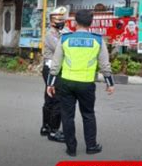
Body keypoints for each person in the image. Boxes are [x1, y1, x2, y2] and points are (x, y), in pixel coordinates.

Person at [46, 9, 115, 157]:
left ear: (75, 22)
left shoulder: (65, 39)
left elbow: (56, 64)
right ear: (91, 23)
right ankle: (91, 146)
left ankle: (71, 149)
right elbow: (105, 65)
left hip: (67, 83)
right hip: (86, 84)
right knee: (88, 115)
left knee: (67, 116)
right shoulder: (97, 40)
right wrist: (110, 83)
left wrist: (50, 83)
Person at [40, 6, 68, 143]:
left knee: (50, 97)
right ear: (51, 21)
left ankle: (46, 126)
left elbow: (71, 39)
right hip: (51, 68)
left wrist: (64, 31)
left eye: (62, 18)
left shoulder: (64, 31)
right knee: (56, 98)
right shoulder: (50, 34)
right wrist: (64, 34)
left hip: (58, 68)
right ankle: (53, 130)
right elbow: (61, 49)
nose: (61, 21)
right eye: (58, 19)